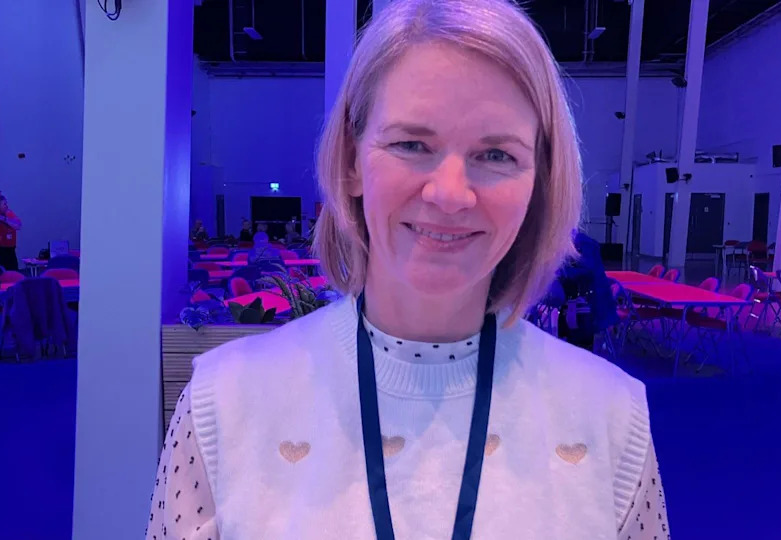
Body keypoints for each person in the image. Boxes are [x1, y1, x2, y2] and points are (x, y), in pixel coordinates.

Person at [147, 1, 668, 539]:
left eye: (496, 155)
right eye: (411, 144)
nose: (449, 194)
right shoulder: (224, 405)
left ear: (538, 181)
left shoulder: (611, 419)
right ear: (352, 163)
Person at [556, 231, 619, 351]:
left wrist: (561, 273)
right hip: (580, 303)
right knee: (576, 344)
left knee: (581, 345)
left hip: (587, 304)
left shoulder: (583, 244)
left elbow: (587, 270)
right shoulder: (577, 242)